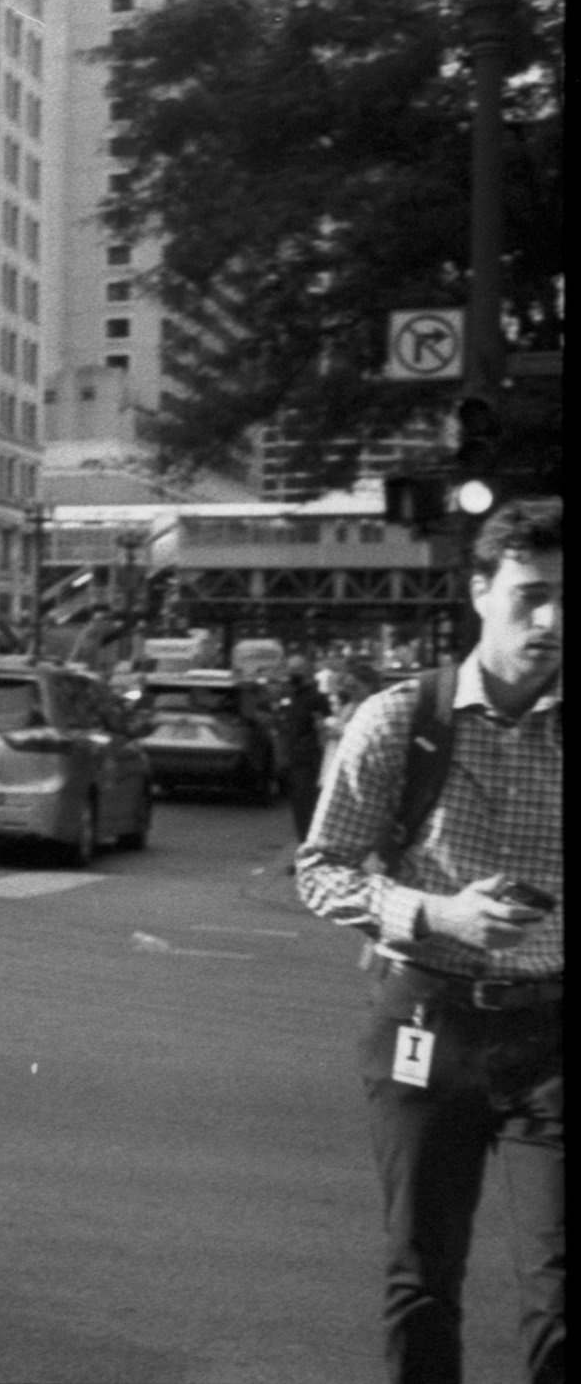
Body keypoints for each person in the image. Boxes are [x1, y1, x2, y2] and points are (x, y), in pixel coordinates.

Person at [295, 495, 563, 1384]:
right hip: (428, 1022)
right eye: (530, 594)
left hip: (551, 1033)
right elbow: (321, 868)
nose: (551, 618)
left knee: (558, 1291)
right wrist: (436, 913)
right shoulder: (402, 720)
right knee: (422, 1276)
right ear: (480, 590)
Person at [279, 652, 334, 838]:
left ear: (306, 671)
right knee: (300, 810)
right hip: (297, 761)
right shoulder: (295, 696)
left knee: (307, 809)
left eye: (294, 670)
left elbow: (324, 730)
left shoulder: (316, 698)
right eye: (289, 669)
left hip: (309, 763)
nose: (290, 674)